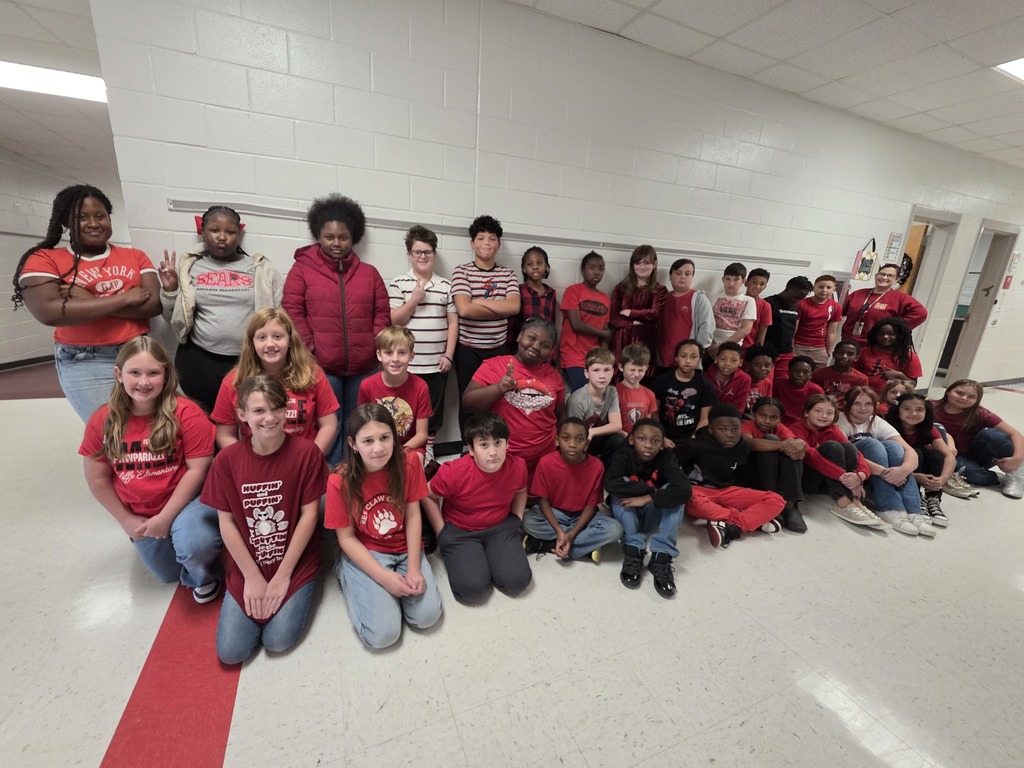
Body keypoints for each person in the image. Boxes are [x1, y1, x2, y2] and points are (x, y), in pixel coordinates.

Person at [79, 336, 221, 602]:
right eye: (135, 373)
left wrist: (166, 517)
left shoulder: (187, 413)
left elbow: (198, 470)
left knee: (194, 547)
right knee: (167, 574)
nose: (143, 382)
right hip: (140, 510)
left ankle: (202, 568)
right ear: (119, 374)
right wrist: (125, 519)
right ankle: (155, 538)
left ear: (166, 375)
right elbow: (97, 477)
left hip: (189, 501)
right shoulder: (103, 420)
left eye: (153, 373)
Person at [201, 375, 328, 664]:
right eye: (259, 411)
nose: (270, 418)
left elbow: (310, 516)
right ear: (242, 415)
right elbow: (227, 522)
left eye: (277, 409)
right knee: (231, 653)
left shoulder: (307, 453)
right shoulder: (227, 460)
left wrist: (283, 576)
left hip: (293, 560)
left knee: (278, 641)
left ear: (287, 410)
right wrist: (252, 577)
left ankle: (299, 587)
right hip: (251, 561)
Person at [13, 184, 161, 422]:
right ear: (66, 221)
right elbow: (50, 312)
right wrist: (123, 299)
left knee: (161, 425)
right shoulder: (45, 259)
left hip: (140, 351)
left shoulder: (135, 256)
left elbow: (153, 305)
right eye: (82, 217)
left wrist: (89, 301)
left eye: (100, 216)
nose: (93, 223)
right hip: (85, 359)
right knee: (112, 431)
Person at [282, 194, 389, 463]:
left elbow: (382, 313)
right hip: (321, 367)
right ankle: (329, 480)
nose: (336, 243)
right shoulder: (302, 270)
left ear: (353, 238)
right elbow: (292, 311)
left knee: (360, 424)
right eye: (329, 237)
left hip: (363, 367)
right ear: (319, 236)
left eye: (343, 237)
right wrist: (311, 348)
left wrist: (373, 344)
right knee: (329, 425)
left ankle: (354, 475)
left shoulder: (370, 274)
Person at [325, 404, 442, 649]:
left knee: (427, 617)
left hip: (404, 545)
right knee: (383, 636)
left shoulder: (409, 462)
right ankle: (346, 570)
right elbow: (345, 538)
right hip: (368, 549)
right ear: (353, 444)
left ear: (394, 438)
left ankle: (391, 588)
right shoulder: (339, 480)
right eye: (367, 441)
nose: (378, 448)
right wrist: (383, 578)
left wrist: (413, 568)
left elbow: (412, 515)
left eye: (385, 438)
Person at [159, 205, 284, 412]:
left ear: (239, 233)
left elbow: (277, 314)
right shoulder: (189, 267)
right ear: (203, 232)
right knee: (206, 417)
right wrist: (170, 289)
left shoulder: (260, 267)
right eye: (215, 230)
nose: (222, 237)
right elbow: (172, 317)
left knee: (249, 415)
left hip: (248, 359)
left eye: (230, 231)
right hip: (199, 359)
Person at [425, 412, 531, 603]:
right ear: (472, 449)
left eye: (498, 443)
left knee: (517, 582)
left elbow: (522, 490)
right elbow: (426, 493)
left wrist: (517, 518)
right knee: (471, 590)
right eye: (484, 445)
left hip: (500, 525)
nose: (493, 452)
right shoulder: (454, 472)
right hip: (460, 530)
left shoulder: (518, 466)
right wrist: (441, 530)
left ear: (508, 444)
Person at [211, 308, 338, 456]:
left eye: (277, 336)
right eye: (262, 338)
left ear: (290, 340)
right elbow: (224, 434)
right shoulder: (234, 381)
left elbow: (328, 424)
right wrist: (245, 461)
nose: (270, 344)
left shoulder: (312, 374)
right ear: (252, 343)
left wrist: (311, 458)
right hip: (257, 462)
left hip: (303, 459)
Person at [387, 225, 458, 465]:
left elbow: (452, 323)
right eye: (417, 252)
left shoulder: (446, 286)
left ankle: (427, 454)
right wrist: (414, 300)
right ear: (409, 254)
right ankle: (401, 453)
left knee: (433, 412)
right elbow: (394, 320)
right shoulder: (399, 283)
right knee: (404, 411)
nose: (423, 257)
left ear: (434, 254)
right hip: (406, 366)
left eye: (427, 252)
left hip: (436, 364)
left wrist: (448, 356)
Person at [463, 317, 564, 479]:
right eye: (531, 338)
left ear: (551, 351)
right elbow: (467, 404)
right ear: (519, 336)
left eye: (545, 345)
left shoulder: (555, 377)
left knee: (536, 501)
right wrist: (499, 388)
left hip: (542, 460)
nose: (536, 346)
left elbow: (560, 415)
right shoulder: (493, 365)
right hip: (501, 458)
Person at [676, 404, 786, 549]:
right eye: (722, 430)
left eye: (735, 429)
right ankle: (748, 520)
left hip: (726, 491)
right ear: (711, 429)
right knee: (696, 502)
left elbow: (741, 476)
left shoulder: (743, 447)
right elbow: (669, 463)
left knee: (776, 500)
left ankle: (731, 525)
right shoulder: (695, 445)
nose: (730, 434)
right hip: (697, 491)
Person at [450, 215, 521, 438]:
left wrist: (479, 301)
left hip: (497, 350)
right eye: (481, 238)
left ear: (498, 244)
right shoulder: (461, 271)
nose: (487, 243)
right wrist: (498, 306)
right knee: (468, 401)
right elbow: (464, 310)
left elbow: (514, 307)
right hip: (468, 349)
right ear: (473, 243)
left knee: (496, 399)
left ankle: (492, 442)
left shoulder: (507, 274)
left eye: (492, 238)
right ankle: (468, 445)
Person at [605, 418, 691, 598]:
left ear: (662, 444)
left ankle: (661, 557)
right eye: (642, 439)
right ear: (631, 439)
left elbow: (684, 490)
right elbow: (611, 483)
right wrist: (650, 490)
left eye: (655, 440)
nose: (648, 445)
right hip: (628, 513)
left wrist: (647, 498)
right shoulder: (623, 454)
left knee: (673, 492)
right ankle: (633, 550)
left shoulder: (667, 457)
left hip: (652, 512)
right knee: (621, 487)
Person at [521, 417, 624, 561]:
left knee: (615, 530)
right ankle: (583, 547)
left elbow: (591, 506)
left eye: (579, 439)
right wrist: (558, 530)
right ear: (557, 441)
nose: (572, 444)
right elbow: (542, 500)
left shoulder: (597, 466)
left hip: (582, 516)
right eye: (566, 438)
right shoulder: (546, 462)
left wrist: (572, 534)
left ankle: (545, 545)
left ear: (587, 444)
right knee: (527, 520)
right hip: (555, 513)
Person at [837, 387, 935, 537]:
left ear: (875, 405)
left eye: (868, 404)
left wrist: (902, 471)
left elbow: (910, 452)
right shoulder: (840, 421)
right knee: (873, 444)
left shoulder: (876, 421)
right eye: (857, 403)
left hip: (881, 470)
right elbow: (848, 455)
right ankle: (889, 507)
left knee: (895, 446)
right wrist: (884, 473)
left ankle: (913, 510)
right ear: (848, 404)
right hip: (857, 468)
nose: (863, 408)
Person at [790, 394, 884, 528]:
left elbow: (857, 455)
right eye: (818, 411)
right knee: (832, 446)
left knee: (849, 447)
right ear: (806, 412)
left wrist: (859, 476)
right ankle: (842, 501)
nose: (824, 416)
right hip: (807, 479)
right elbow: (811, 457)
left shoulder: (832, 429)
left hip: (830, 480)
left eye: (829, 413)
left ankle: (855, 501)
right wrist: (843, 477)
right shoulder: (796, 428)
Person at [931, 379, 1024, 497]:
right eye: (959, 393)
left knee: (992, 435)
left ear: (977, 400)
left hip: (977, 452)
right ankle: (997, 477)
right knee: (971, 474)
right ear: (948, 391)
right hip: (951, 456)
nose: (964, 398)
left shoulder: (980, 413)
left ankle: (1018, 476)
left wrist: (1018, 458)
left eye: (971, 396)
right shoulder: (930, 407)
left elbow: (1016, 435)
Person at [357, 326, 432, 457]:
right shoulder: (367, 385)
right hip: (377, 446)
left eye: (402, 353)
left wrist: (398, 454)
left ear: (411, 356)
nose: (395, 359)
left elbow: (422, 434)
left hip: (409, 445)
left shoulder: (421, 387)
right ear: (379, 355)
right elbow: (362, 427)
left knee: (416, 460)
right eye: (389, 352)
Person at [885, 392, 955, 527]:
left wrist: (941, 480)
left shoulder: (928, 428)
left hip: (917, 468)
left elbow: (949, 456)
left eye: (919, 410)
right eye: (907, 409)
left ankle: (932, 498)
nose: (913, 413)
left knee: (936, 455)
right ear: (897, 410)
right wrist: (915, 477)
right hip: (897, 470)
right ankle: (914, 497)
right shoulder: (887, 425)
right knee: (916, 453)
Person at [740, 397, 807, 532]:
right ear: (754, 414)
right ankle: (769, 502)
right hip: (752, 477)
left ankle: (791, 505)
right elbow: (749, 443)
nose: (767, 421)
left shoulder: (780, 428)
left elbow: (797, 444)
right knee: (772, 439)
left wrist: (799, 444)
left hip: (776, 480)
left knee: (793, 449)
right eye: (762, 416)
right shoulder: (747, 426)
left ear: (779, 419)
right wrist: (782, 445)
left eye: (773, 417)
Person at [651, 339, 718, 458]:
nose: (688, 361)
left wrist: (692, 440)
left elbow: (705, 418)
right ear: (676, 358)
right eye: (683, 356)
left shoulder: (705, 385)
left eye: (693, 357)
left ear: (699, 360)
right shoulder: (661, 381)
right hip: (664, 434)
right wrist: (661, 436)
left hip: (692, 436)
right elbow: (653, 412)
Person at [560, 251, 612, 392]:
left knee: (599, 395)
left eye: (601, 269)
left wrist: (604, 359)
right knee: (583, 391)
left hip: (594, 357)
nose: (597, 272)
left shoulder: (606, 298)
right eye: (592, 268)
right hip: (573, 354)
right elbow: (576, 325)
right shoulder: (573, 291)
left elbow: (605, 333)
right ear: (583, 270)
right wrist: (604, 333)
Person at [609, 244, 667, 370]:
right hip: (622, 341)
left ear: (654, 264)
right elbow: (613, 317)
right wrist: (635, 323)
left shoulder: (659, 290)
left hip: (645, 341)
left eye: (646, 263)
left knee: (642, 376)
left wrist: (630, 313)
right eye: (638, 263)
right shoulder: (621, 288)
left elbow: (655, 314)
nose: (642, 267)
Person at [841, 262, 928, 345]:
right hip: (848, 344)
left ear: (896, 279)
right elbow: (840, 311)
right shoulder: (858, 293)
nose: (884, 277)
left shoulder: (900, 298)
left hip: (874, 346)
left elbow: (921, 313)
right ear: (876, 275)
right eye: (882, 274)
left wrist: (894, 328)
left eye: (890, 276)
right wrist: (842, 291)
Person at [566, 347, 623, 464]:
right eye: (596, 370)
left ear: (613, 372)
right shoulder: (577, 400)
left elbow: (616, 425)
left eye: (606, 370)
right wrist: (588, 434)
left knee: (617, 441)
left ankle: (607, 475)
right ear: (586, 373)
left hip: (593, 436)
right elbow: (575, 433)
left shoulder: (612, 392)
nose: (602, 375)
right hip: (579, 440)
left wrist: (592, 432)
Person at [659, 258, 713, 370]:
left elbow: (707, 328)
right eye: (678, 273)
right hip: (662, 360)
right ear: (670, 276)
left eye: (687, 274)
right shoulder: (662, 298)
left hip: (688, 363)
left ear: (692, 277)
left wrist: (694, 355)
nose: (682, 276)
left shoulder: (699, 299)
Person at [764, 276, 812, 381]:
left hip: (786, 352)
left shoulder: (795, 307)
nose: (797, 301)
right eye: (795, 297)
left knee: (781, 383)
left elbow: (792, 330)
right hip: (769, 351)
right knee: (766, 381)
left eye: (801, 298)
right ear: (787, 288)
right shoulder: (769, 303)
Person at [855, 318, 922, 393]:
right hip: (863, 395)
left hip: (891, 398)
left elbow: (913, 384)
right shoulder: (864, 351)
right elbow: (853, 374)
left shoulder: (909, 356)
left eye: (891, 334)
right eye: (881, 333)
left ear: (899, 335)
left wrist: (899, 376)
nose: (885, 336)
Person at [708, 262, 756, 359]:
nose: (731, 283)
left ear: (743, 281)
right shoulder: (713, 297)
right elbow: (706, 323)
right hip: (711, 344)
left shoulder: (748, 301)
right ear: (723, 279)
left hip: (733, 346)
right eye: (728, 279)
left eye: (736, 279)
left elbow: (746, 329)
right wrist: (712, 344)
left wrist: (722, 347)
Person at [792, 274, 841, 368]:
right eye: (821, 287)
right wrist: (792, 348)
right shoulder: (801, 304)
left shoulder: (836, 307)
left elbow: (832, 332)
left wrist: (828, 352)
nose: (824, 290)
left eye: (828, 287)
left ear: (834, 289)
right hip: (799, 346)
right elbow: (794, 328)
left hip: (820, 348)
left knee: (817, 377)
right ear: (814, 287)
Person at [511, 246, 557, 345]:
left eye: (539, 263)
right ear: (524, 269)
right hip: (521, 348)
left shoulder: (551, 294)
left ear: (546, 266)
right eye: (530, 264)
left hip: (543, 349)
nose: (535, 267)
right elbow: (512, 324)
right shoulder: (518, 290)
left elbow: (552, 324)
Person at [811, 339, 868, 408]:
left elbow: (860, 402)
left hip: (846, 413)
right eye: (841, 352)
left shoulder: (861, 379)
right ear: (834, 354)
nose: (844, 356)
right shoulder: (818, 373)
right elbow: (812, 397)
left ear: (856, 357)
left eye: (850, 354)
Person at [616, 342, 657, 436]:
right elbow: (612, 425)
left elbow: (648, 422)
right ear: (621, 367)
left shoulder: (649, 394)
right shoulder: (614, 393)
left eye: (640, 370)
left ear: (647, 368)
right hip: (620, 440)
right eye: (632, 370)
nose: (636, 374)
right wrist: (629, 438)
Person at [774, 356, 824, 427]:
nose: (800, 375)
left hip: (803, 426)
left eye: (805, 372)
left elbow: (820, 412)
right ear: (788, 372)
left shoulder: (816, 390)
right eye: (796, 371)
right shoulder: (779, 385)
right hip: (779, 423)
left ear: (810, 375)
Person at [703, 341, 751, 411]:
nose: (727, 363)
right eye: (723, 359)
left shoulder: (744, 379)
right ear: (716, 359)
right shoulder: (704, 378)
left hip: (730, 418)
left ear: (740, 363)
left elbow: (738, 409)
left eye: (733, 360)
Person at [743, 268, 772, 348]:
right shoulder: (736, 300)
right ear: (746, 283)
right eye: (754, 282)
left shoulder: (765, 306)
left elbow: (762, 334)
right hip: (731, 345)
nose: (757, 286)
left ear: (765, 287)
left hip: (749, 348)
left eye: (762, 284)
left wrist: (757, 352)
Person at [743, 345, 775, 414]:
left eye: (767, 366)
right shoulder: (741, 380)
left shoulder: (768, 383)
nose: (763, 369)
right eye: (757, 365)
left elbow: (767, 405)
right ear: (748, 365)